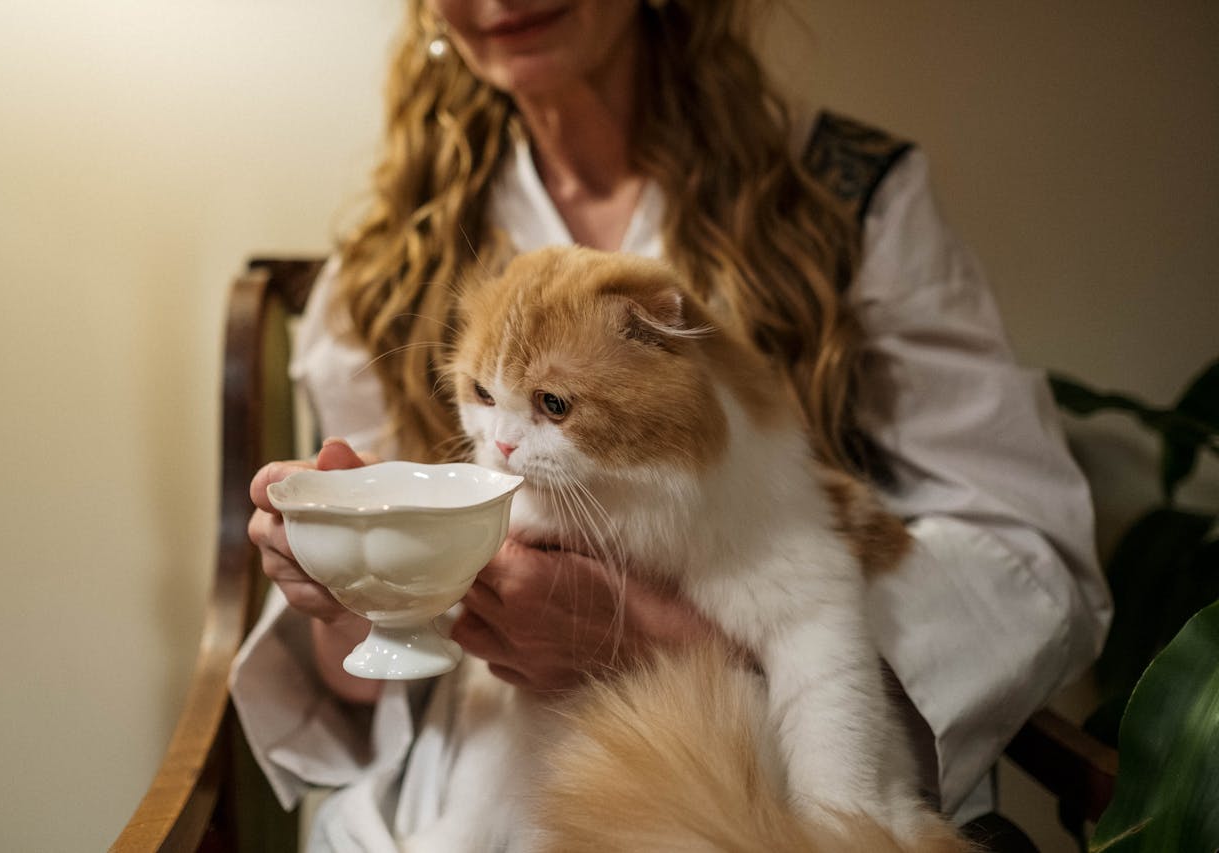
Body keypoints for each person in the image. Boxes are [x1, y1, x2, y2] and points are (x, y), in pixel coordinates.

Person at [230, 1, 1112, 849]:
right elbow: (354, 677)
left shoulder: (852, 192)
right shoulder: (385, 260)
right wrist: (353, 579)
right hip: (482, 775)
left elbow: (1032, 560)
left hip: (776, 754)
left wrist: (659, 637)